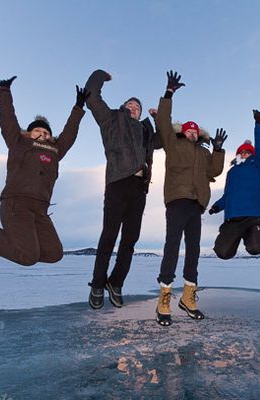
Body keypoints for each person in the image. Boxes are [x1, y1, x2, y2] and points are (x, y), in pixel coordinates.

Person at [0, 76, 87, 266]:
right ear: (28, 133)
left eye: (46, 133)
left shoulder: (56, 151)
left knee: (54, 254)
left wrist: (78, 107)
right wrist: (5, 92)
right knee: (28, 257)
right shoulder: (18, 142)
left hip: (41, 209)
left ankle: (0, 245)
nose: (42, 134)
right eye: (37, 131)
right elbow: (7, 119)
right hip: (16, 204)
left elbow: (70, 134)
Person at [154, 71, 226, 327]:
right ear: (183, 133)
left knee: (194, 250)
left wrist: (217, 150)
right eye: (189, 131)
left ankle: (188, 297)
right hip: (176, 200)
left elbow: (215, 172)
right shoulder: (173, 145)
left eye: (196, 132)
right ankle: (164, 298)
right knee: (172, 246)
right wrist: (168, 93)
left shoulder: (204, 154)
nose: (193, 134)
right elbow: (163, 122)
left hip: (196, 205)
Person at [84, 69, 160, 310]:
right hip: (117, 182)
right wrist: (99, 76)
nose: (134, 107)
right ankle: (97, 284)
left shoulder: (146, 131)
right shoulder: (111, 120)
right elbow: (91, 97)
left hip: (139, 188)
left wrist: (158, 119)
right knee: (108, 236)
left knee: (130, 240)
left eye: (137, 106)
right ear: (123, 106)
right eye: (130, 103)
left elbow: (164, 141)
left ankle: (115, 283)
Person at [209, 109, 260, 259]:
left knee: (256, 247)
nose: (244, 154)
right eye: (241, 152)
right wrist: (217, 206)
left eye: (247, 152)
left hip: (252, 216)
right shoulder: (232, 172)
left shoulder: (257, 165)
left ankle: (257, 232)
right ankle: (232, 239)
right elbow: (228, 195)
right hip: (232, 217)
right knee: (222, 252)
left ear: (252, 155)